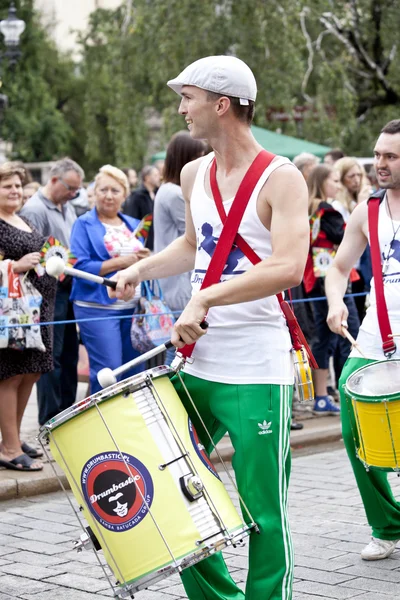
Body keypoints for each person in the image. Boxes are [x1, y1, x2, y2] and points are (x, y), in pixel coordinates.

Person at [110, 55, 309, 600]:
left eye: (188, 98)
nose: (181, 109)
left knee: (262, 510)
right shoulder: (194, 172)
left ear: (221, 105)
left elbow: (289, 267)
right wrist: (139, 269)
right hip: (197, 361)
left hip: (256, 366)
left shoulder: (282, 177)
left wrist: (206, 297)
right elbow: (195, 246)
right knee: (174, 492)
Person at [325, 119, 400, 561]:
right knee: (356, 434)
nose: (380, 164)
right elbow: (337, 269)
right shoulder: (367, 210)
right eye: (378, 155)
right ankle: (387, 524)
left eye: (391, 156)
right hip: (374, 340)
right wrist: (336, 302)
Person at [70, 165, 150, 394]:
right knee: (109, 372)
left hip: (133, 309)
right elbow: (79, 266)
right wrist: (123, 263)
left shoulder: (134, 224)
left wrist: (145, 260)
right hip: (97, 308)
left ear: (125, 195)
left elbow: (142, 263)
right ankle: (101, 425)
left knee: (135, 372)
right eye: (102, 189)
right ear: (94, 193)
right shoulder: (83, 224)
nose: (108, 195)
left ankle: (131, 425)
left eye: (115, 190)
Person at [0, 163, 57, 471]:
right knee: (9, 375)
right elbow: (14, 263)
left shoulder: (21, 219)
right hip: (11, 313)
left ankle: (13, 438)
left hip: (38, 309)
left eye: (18, 186)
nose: (14, 191)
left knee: (30, 373)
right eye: (7, 186)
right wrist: (16, 266)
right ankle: (8, 448)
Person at [20, 157, 83, 426]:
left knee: (69, 355)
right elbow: (30, 255)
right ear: (54, 180)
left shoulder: (66, 206)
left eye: (77, 191)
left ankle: (68, 412)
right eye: (70, 188)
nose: (73, 194)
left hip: (68, 288)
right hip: (47, 293)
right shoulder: (34, 209)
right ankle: (50, 418)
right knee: (51, 359)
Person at [304, 164, 359, 415]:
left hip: (314, 279)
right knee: (349, 333)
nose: (338, 185)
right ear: (322, 182)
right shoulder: (326, 210)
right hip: (332, 282)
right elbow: (345, 239)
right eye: (334, 181)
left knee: (323, 338)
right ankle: (351, 390)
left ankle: (322, 396)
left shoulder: (309, 208)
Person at [154, 131, 206, 364]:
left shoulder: (166, 190)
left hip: (173, 279)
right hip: (179, 280)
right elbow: (196, 234)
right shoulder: (175, 194)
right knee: (177, 346)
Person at [123, 165, 161, 250]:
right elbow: (132, 218)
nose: (159, 177)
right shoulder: (137, 196)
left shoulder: (158, 193)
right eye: (155, 175)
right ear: (147, 178)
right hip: (143, 241)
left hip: (156, 241)